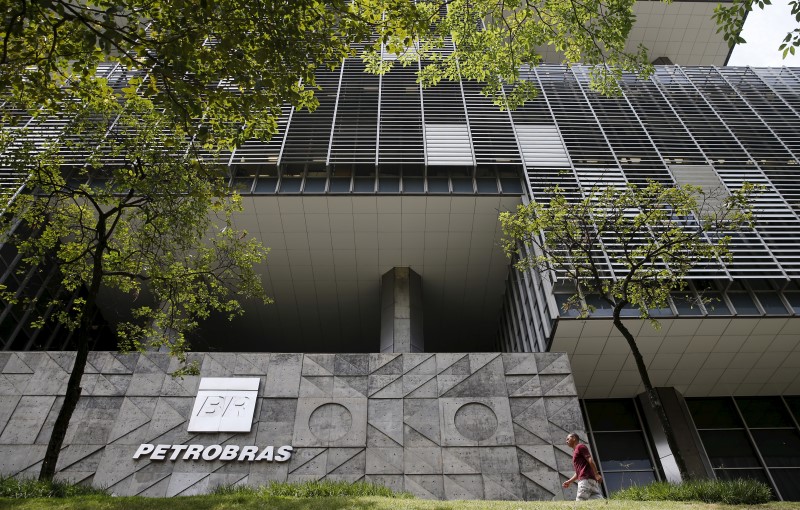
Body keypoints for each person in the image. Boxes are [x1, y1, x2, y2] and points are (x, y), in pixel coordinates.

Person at [562, 432, 604, 501]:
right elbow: (578, 472)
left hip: (585, 480)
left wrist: (596, 474)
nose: (566, 441)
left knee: (580, 500)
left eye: (568, 439)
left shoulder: (580, 446)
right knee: (599, 501)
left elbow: (590, 459)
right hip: (591, 481)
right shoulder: (576, 451)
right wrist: (569, 481)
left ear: (574, 438)